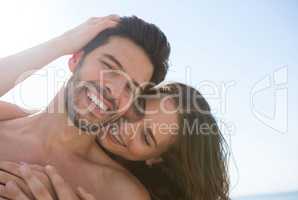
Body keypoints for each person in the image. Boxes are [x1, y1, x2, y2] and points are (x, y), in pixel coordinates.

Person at [0, 15, 171, 200]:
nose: (114, 91)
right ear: (75, 59)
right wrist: (62, 43)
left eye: (131, 88)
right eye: (109, 66)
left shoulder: (121, 192)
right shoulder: (4, 121)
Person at [0, 82, 230, 200]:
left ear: (155, 159)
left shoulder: (128, 194)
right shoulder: (21, 117)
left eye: (146, 137)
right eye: (136, 110)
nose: (127, 128)